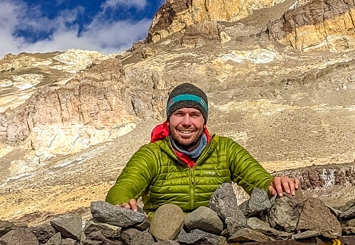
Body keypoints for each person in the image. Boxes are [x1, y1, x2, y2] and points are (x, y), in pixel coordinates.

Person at [105, 83, 300, 214]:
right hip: (162, 244)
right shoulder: (152, 154)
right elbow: (123, 188)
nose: (187, 122)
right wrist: (121, 203)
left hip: (218, 240)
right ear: (169, 119)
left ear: (204, 120)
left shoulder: (225, 149)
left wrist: (276, 184)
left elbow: (258, 180)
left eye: (195, 114)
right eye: (179, 114)